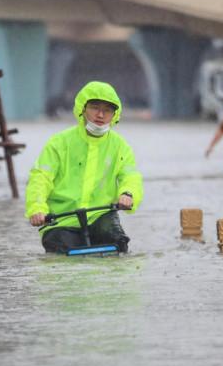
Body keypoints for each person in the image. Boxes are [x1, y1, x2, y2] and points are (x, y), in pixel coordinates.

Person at [25, 81, 143, 253]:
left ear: (114, 115)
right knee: (61, 253)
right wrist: (36, 209)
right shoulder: (59, 142)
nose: (101, 115)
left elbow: (130, 176)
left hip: (100, 215)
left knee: (118, 244)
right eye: (95, 107)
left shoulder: (120, 146)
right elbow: (40, 178)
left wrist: (128, 194)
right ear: (82, 108)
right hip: (61, 219)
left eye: (107, 110)